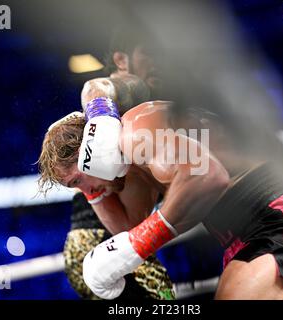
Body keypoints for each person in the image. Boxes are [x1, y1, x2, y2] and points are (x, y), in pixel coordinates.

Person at [38, 96, 283, 300]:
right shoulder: (129, 169)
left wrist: (135, 245)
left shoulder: (136, 133)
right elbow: (127, 227)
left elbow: (208, 177)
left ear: (89, 151)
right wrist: (96, 193)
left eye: (78, 180)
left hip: (279, 216)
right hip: (245, 236)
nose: (85, 192)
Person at [61, 24, 176, 300]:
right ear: (121, 60)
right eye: (150, 52)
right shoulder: (132, 90)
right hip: (106, 240)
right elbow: (95, 88)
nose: (159, 60)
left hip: (91, 244)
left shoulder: (154, 100)